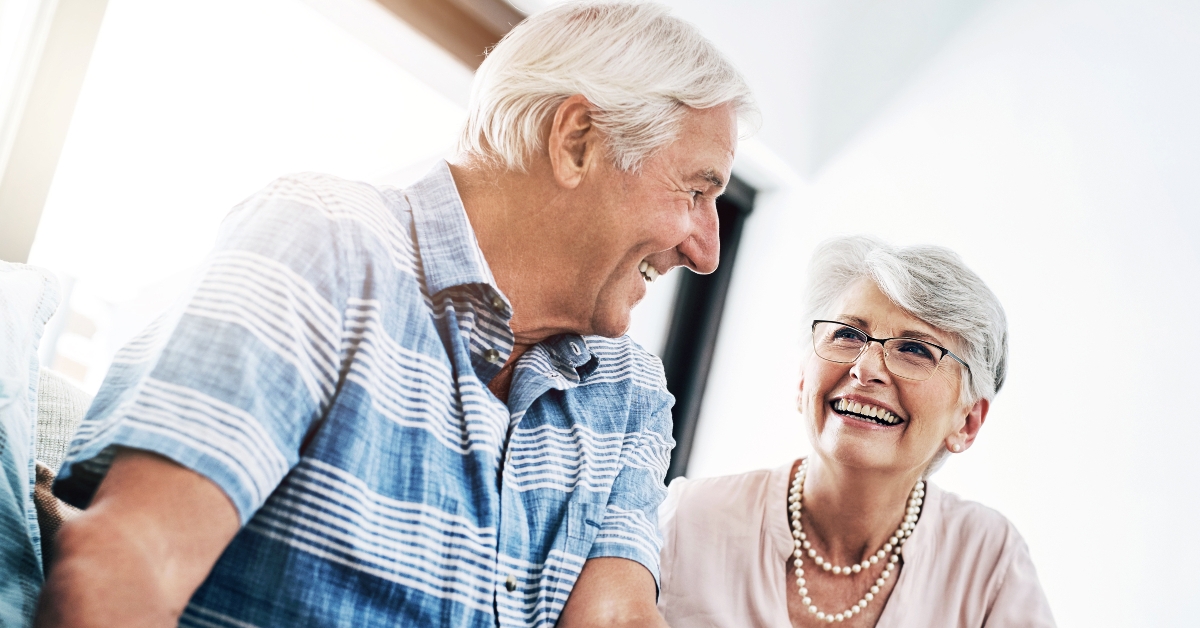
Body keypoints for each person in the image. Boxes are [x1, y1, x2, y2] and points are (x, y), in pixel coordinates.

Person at [34, 2, 754, 626]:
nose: (706, 251)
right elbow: (133, 565)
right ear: (576, 142)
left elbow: (616, 616)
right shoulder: (325, 243)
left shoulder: (627, 391)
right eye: (696, 191)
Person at [657, 236, 1056, 627]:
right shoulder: (688, 519)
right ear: (801, 380)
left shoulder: (989, 563)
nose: (865, 369)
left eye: (915, 349)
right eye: (847, 334)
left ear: (967, 422)